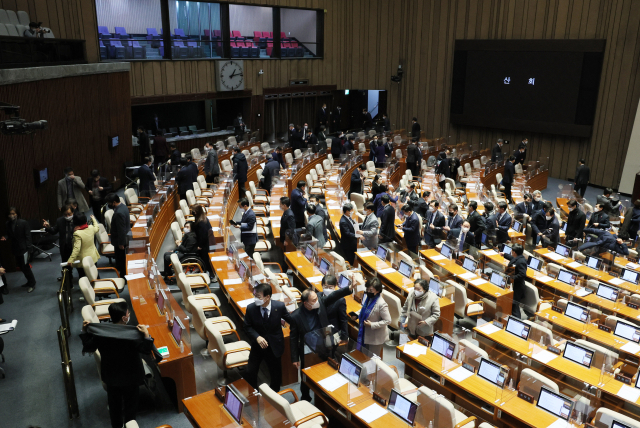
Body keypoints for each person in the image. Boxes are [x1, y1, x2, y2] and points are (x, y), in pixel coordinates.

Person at [80, 302, 156, 428]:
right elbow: (146, 350)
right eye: (128, 313)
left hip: (111, 377)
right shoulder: (132, 335)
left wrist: (84, 330)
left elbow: (88, 347)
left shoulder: (102, 333)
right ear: (124, 318)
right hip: (131, 378)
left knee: (114, 409)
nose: (129, 314)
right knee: (130, 411)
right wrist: (147, 335)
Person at [290, 280, 354, 400]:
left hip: (325, 344)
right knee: (306, 374)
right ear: (306, 303)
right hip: (308, 349)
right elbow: (294, 338)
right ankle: (305, 396)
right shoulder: (296, 316)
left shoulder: (321, 302)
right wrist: (294, 358)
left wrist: (349, 288)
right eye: (313, 300)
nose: (317, 301)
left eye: (316, 298)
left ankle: (325, 395)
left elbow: (335, 295)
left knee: (327, 369)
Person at [244, 282, 292, 391]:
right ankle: (253, 392)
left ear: (267, 297)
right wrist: (257, 337)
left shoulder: (279, 306)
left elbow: (291, 319)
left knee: (275, 374)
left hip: (274, 345)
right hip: (258, 345)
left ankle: (274, 395)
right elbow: (247, 327)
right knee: (250, 371)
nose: (255, 299)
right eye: (255, 296)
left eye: (258, 297)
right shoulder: (251, 308)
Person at [2, 207, 36, 292]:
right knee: (21, 266)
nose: (12, 215)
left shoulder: (23, 222)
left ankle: (32, 283)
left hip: (24, 248)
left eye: (13, 213)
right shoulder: (8, 223)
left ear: (17, 214)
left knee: (26, 267)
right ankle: (29, 282)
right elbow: (9, 234)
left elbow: (28, 236)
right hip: (15, 248)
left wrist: (29, 249)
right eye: (10, 214)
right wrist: (5, 237)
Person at [355, 277, 391, 356]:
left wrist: (372, 325)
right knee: (364, 356)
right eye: (367, 289)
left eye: (370, 290)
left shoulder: (381, 304)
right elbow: (364, 309)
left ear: (377, 290)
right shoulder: (368, 298)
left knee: (372, 360)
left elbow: (388, 321)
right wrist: (356, 315)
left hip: (376, 338)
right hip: (365, 332)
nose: (368, 292)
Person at [43, 205, 77, 281]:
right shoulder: (60, 220)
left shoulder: (77, 219)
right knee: (65, 263)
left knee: (79, 263)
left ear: (73, 212)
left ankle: (82, 277)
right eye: (65, 214)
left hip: (76, 245)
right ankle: (67, 278)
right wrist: (48, 227)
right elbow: (54, 231)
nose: (67, 216)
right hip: (65, 245)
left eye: (69, 214)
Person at [66, 212, 100, 277]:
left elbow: (77, 248)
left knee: (83, 277)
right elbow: (97, 227)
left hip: (82, 260)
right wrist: (93, 219)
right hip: (93, 257)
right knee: (95, 275)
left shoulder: (77, 233)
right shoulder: (91, 228)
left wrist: (71, 259)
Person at [106, 194, 131, 277]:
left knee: (121, 260)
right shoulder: (123, 206)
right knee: (123, 259)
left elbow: (121, 230)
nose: (108, 205)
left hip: (120, 240)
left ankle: (123, 277)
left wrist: (121, 243)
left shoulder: (118, 213)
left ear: (114, 202)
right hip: (126, 236)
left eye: (109, 203)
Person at [501, 243, 526, 318]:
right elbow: (512, 259)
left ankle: (517, 321)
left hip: (517, 287)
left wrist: (511, 278)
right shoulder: (518, 257)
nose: (511, 251)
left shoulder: (521, 261)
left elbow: (522, 274)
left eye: (512, 250)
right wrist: (504, 254)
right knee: (511, 304)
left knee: (514, 306)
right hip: (513, 285)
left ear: (514, 252)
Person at [192, 205, 212, 271]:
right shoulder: (203, 218)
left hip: (204, 245)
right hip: (207, 242)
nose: (192, 212)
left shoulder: (201, 223)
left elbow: (202, 236)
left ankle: (209, 273)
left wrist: (200, 246)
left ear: (197, 212)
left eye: (193, 211)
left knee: (205, 259)